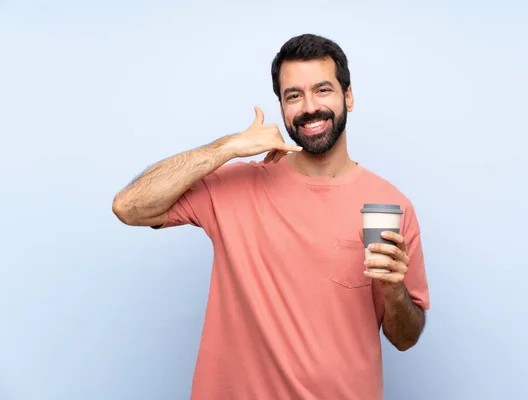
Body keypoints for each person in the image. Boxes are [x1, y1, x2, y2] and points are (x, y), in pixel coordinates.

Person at [112, 33, 430, 400]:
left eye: (323, 90)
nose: (310, 107)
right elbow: (129, 206)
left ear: (349, 96)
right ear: (281, 106)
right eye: (294, 95)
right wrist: (228, 147)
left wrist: (393, 291)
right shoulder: (234, 186)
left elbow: (405, 338)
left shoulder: (390, 206)